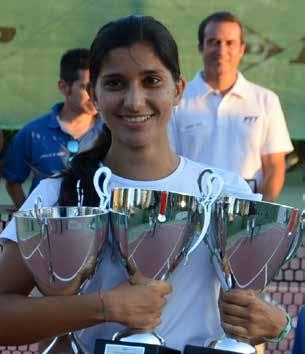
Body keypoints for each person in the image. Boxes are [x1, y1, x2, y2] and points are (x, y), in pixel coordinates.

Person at [0, 15, 288, 353]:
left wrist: (276, 325)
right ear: (94, 94)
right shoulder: (58, 194)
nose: (135, 101)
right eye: (115, 83)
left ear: (178, 89)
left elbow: (254, 312)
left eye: (151, 80)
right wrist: (104, 307)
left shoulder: (225, 192)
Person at [168, 11, 293, 202]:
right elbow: (168, 163)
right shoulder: (177, 100)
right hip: (192, 213)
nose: (221, 50)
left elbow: (275, 168)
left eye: (230, 43)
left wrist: (261, 218)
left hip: (247, 215)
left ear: (242, 49)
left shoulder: (266, 101)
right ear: (201, 47)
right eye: (214, 42)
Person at [2, 48, 103, 209]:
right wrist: (30, 221)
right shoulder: (32, 133)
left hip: (97, 229)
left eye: (99, 86)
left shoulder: (111, 131)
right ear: (64, 87)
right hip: (46, 231)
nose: (95, 94)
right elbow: (13, 182)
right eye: (86, 87)